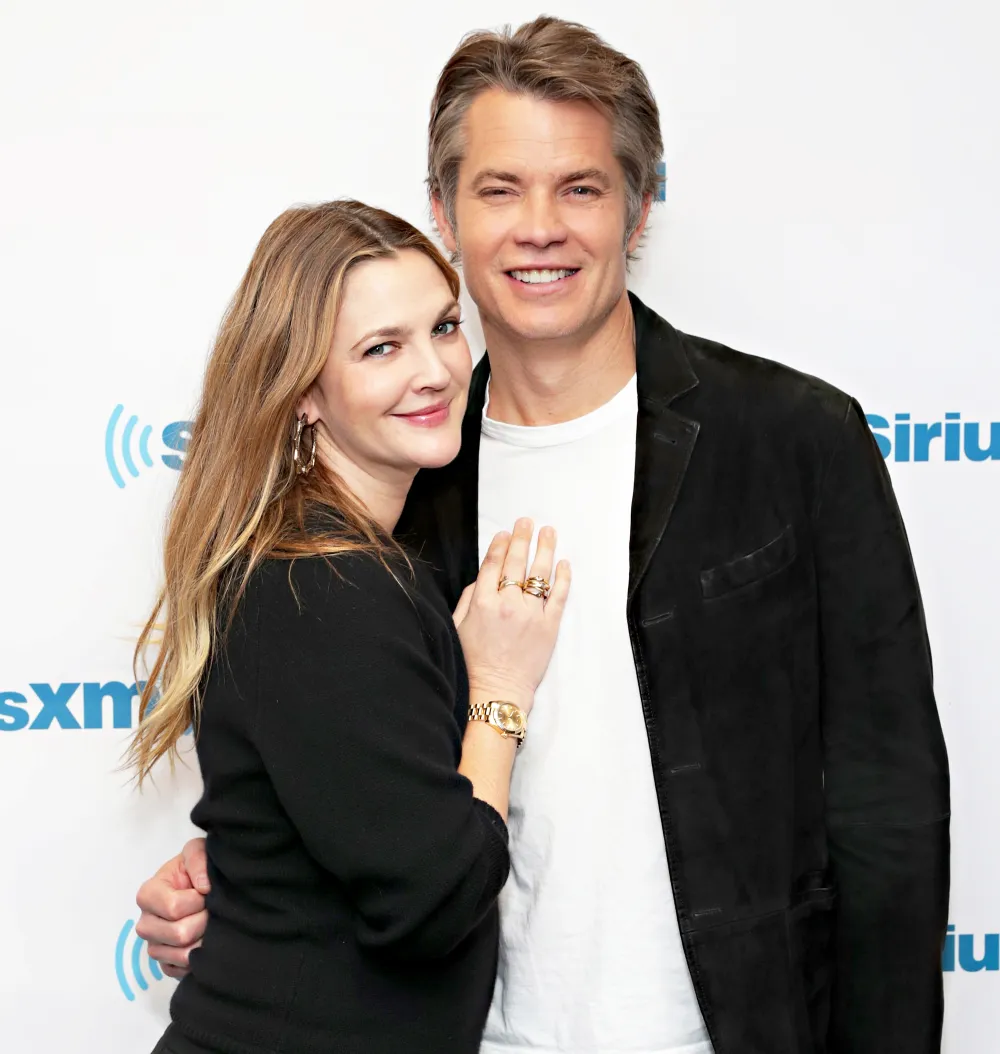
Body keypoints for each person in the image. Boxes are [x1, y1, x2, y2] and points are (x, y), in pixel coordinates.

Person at [136, 17, 950, 1054]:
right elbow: (350, 785)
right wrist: (234, 882)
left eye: (579, 187)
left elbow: (887, 804)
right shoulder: (402, 476)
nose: (539, 227)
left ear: (640, 209)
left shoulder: (793, 439)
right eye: (498, 189)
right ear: (443, 214)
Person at [128, 198, 570, 1054]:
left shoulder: (331, 560)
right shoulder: (322, 584)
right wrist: (500, 691)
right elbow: (435, 901)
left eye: (444, 326)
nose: (437, 370)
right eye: (381, 349)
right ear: (304, 396)